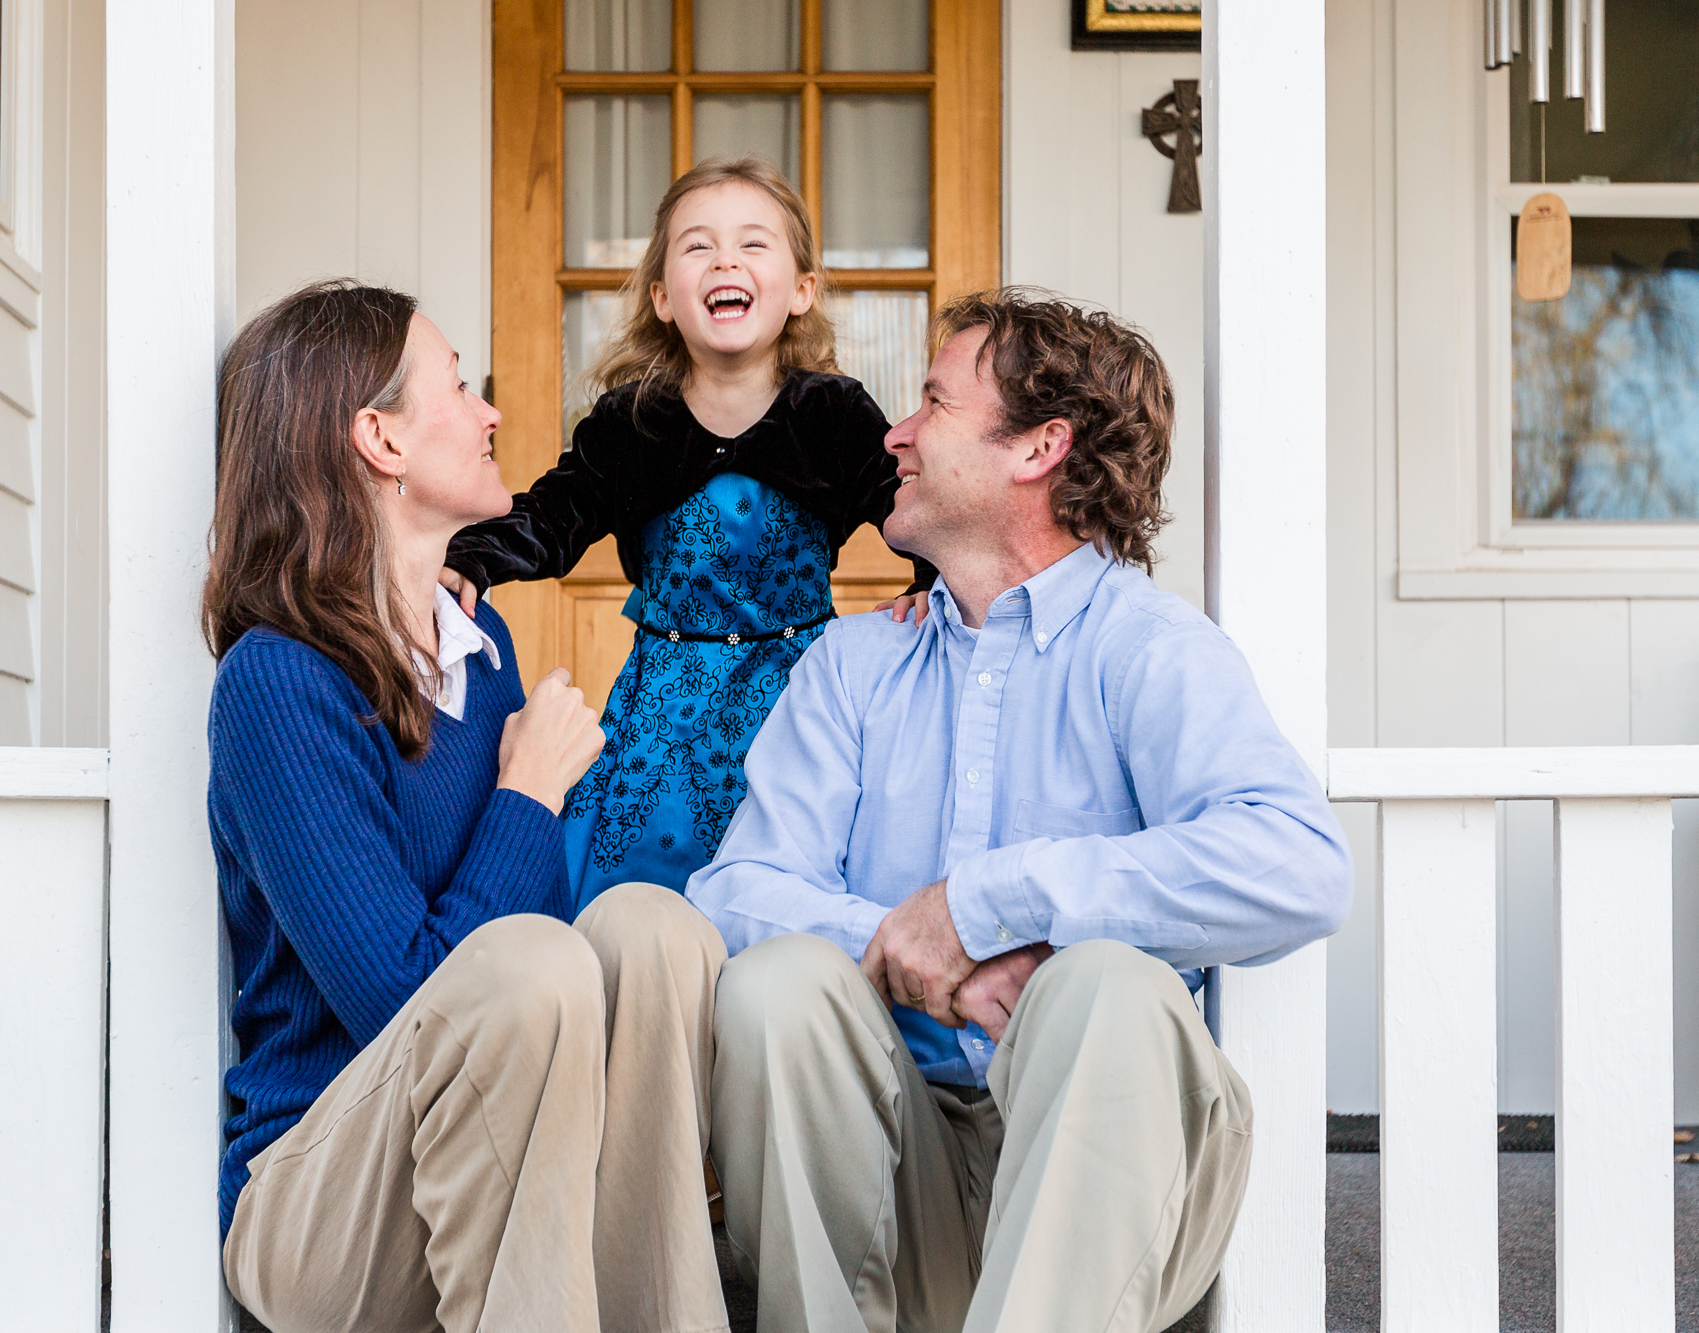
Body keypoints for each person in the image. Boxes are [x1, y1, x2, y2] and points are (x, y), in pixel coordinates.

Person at [685, 289, 1353, 1333]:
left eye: (932, 403)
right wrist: (913, 947)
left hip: (1104, 1171)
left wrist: (991, 902)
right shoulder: (856, 662)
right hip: (887, 1161)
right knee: (775, 985)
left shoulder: (1150, 648)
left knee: (1107, 986)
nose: (894, 432)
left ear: (1039, 446)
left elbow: (1298, 864)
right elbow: (732, 894)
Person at [206, 281, 729, 1333]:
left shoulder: (477, 654)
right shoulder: (280, 682)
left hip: (481, 1157)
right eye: (458, 386)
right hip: (323, 1204)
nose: (492, 414)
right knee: (531, 964)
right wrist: (528, 793)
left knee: (650, 926)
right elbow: (402, 996)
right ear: (379, 439)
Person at [442, 156, 932, 912]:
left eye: (754, 244)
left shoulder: (832, 413)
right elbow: (553, 515)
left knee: (790, 891)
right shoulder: (629, 423)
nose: (726, 259)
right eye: (698, 245)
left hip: (801, 700)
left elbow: (913, 508)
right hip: (663, 714)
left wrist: (933, 586)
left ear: (801, 290)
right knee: (644, 897)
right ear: (664, 297)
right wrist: (472, 557)